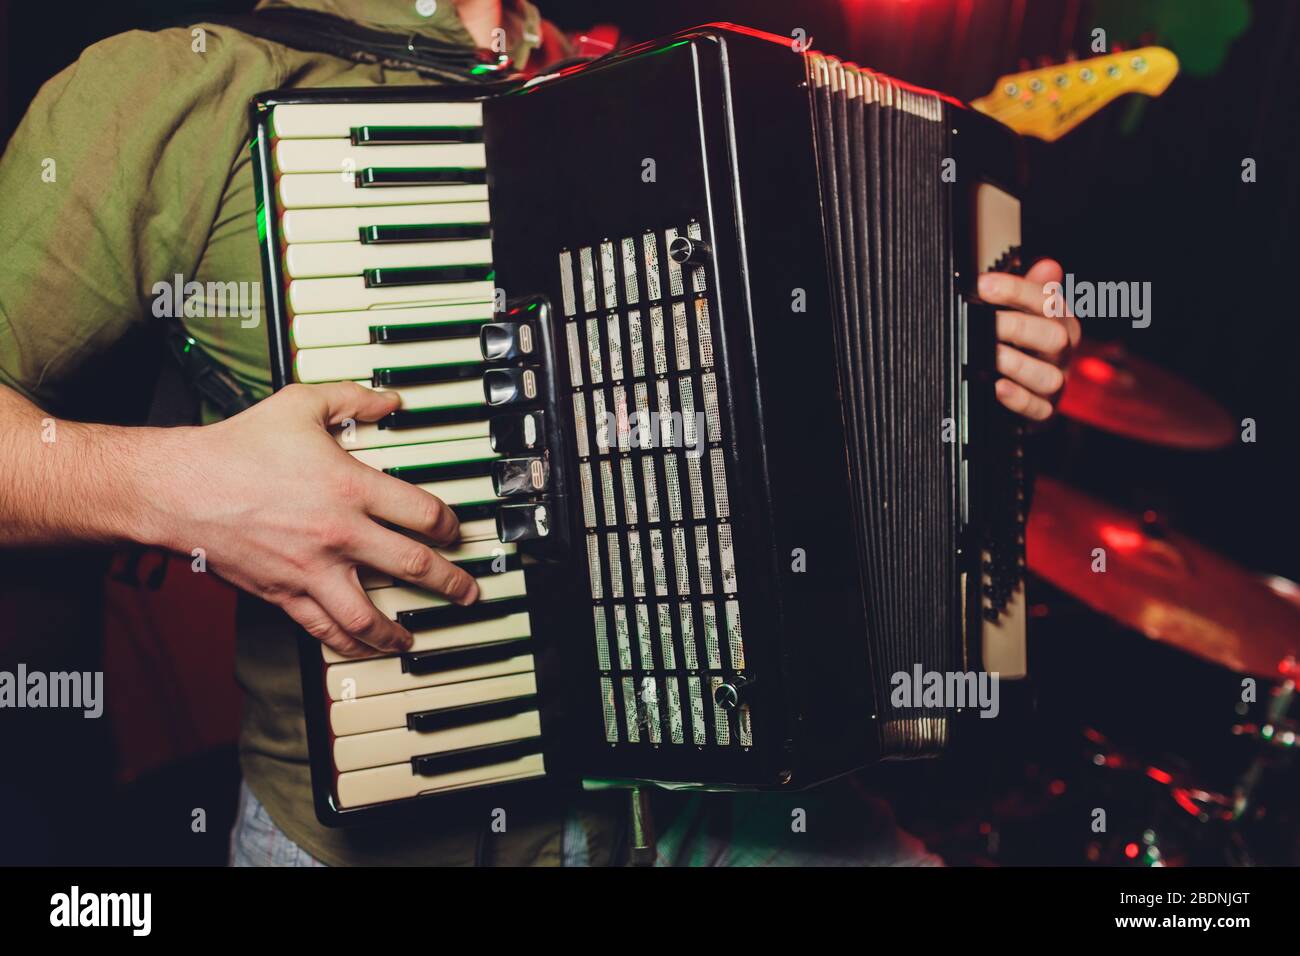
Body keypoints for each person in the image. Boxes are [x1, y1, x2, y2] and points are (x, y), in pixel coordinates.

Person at [0, 0, 1080, 866]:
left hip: (711, 804)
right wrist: (179, 487)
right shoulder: (177, 88)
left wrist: (962, 363)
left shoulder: (639, 80)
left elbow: (776, 410)